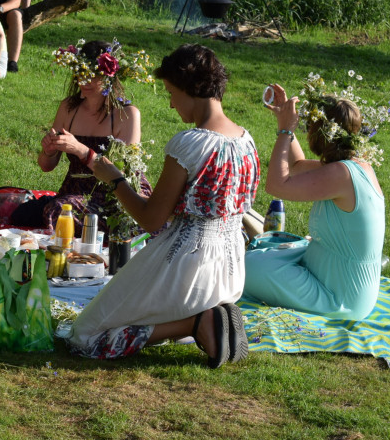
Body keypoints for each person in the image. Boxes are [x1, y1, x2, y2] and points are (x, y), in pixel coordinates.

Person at [67, 44, 260, 367]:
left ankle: (197, 323)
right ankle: (205, 317)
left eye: (172, 92)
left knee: (85, 338)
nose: (171, 104)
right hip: (229, 271)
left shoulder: (190, 143)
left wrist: (114, 179)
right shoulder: (246, 140)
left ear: (190, 88)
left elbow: (152, 220)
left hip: (184, 266)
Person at [243, 85, 385, 321]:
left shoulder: (342, 174)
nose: (307, 129)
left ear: (322, 134)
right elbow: (297, 166)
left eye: (309, 126)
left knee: (246, 268)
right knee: (257, 254)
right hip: (326, 271)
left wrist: (286, 132)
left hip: (340, 296)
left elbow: (276, 186)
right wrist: (283, 121)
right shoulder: (354, 165)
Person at [10, 40, 150, 233]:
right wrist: (49, 151)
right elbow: (45, 166)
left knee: (62, 211)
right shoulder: (69, 108)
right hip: (75, 191)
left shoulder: (126, 114)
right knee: (32, 213)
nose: (84, 81)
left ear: (109, 76)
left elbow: (121, 175)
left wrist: (81, 150)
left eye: (92, 75)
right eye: (80, 73)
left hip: (114, 195)